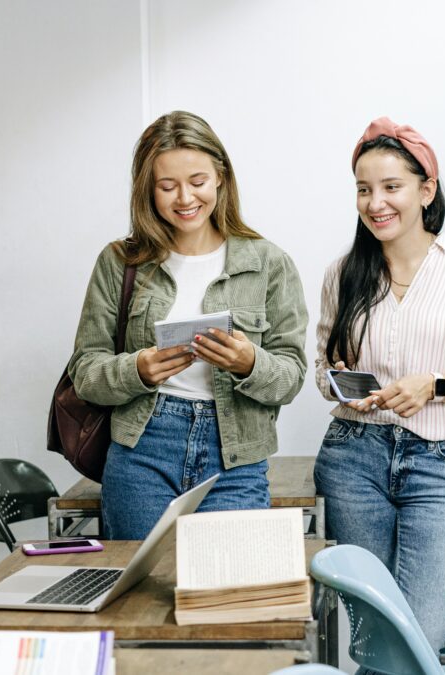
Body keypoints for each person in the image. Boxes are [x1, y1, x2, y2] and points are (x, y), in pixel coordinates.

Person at [313, 117, 445, 653]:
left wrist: (436, 385)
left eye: (391, 187)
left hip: (444, 465)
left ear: (426, 190)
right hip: (353, 460)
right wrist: (339, 382)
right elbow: (321, 370)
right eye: (363, 189)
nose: (375, 203)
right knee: (371, 636)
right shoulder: (343, 275)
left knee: (417, 638)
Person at [69, 111, 308, 540]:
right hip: (142, 450)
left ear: (220, 177)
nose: (184, 198)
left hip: (235, 455)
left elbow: (291, 377)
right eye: (167, 186)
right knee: (139, 597)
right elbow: (85, 372)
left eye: (197, 181)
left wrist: (250, 362)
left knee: (226, 595)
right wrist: (137, 369)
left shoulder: (268, 264)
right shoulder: (119, 263)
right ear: (148, 189)